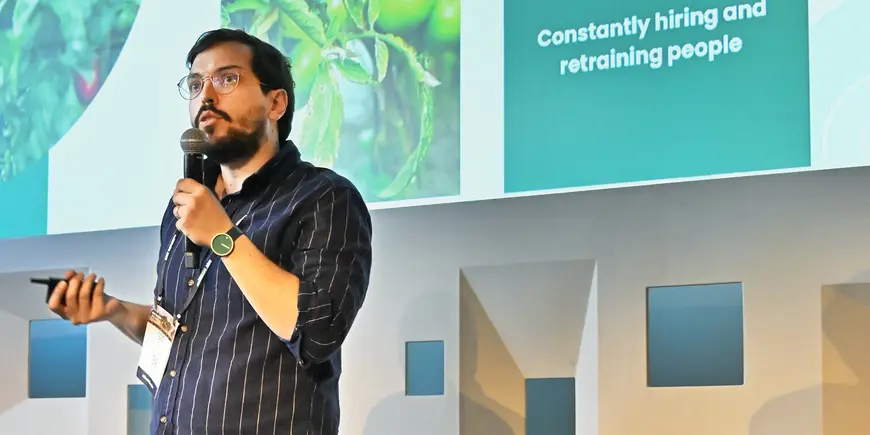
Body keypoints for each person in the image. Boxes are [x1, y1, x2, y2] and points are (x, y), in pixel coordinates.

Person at [47, 28, 373, 435]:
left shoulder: (323, 198)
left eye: (227, 78)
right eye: (196, 84)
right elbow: (179, 332)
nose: (206, 96)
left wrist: (221, 234)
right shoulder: (186, 208)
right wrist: (113, 310)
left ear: (276, 103)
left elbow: (317, 332)